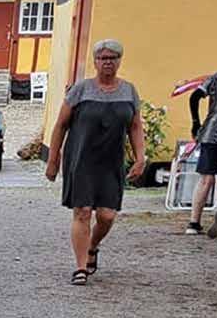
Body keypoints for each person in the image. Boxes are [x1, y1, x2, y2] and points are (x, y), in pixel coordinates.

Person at [45, 39, 145, 285]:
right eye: (103, 58)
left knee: (107, 215)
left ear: (119, 61)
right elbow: (61, 125)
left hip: (111, 162)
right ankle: (80, 267)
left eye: (113, 58)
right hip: (81, 159)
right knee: (82, 211)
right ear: (95, 61)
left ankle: (92, 245)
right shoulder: (81, 90)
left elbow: (135, 126)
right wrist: (53, 159)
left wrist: (140, 157)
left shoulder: (129, 91)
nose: (107, 62)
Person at [186, 70, 217, 237]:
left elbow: (194, 96)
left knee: (205, 179)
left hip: (211, 132)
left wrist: (195, 122)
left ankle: (193, 224)